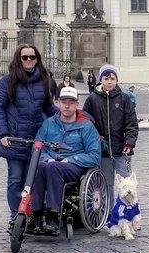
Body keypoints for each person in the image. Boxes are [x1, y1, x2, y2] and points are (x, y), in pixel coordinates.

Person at [0, 44, 59, 218]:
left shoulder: (44, 80)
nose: (29, 60)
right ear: (18, 59)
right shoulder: (7, 81)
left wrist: (68, 114)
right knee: (15, 179)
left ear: (37, 59)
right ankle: (17, 216)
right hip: (14, 139)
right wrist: (3, 134)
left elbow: (48, 107)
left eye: (32, 57)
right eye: (25, 57)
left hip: (35, 139)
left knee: (32, 180)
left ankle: (29, 212)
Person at [30, 86, 101, 233]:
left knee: (52, 167)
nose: (67, 105)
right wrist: (48, 158)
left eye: (71, 102)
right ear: (58, 103)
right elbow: (37, 147)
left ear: (77, 105)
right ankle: (35, 215)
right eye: (63, 102)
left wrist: (71, 160)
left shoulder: (86, 127)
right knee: (39, 166)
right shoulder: (49, 124)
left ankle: (53, 215)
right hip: (51, 162)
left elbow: (94, 156)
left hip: (74, 166)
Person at [82, 64, 138, 205]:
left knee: (126, 185)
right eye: (106, 78)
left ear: (116, 80)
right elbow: (86, 123)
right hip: (103, 151)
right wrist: (96, 138)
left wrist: (129, 143)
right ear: (101, 80)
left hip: (122, 149)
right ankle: (108, 215)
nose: (110, 81)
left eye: (113, 78)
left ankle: (128, 213)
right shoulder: (92, 100)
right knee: (106, 183)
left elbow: (131, 124)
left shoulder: (124, 99)